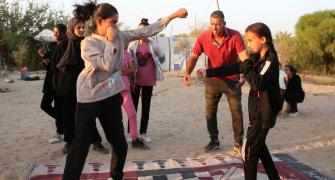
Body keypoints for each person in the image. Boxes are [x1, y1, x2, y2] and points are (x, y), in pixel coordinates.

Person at [61, 1, 187, 179]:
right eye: (112, 22)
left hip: (111, 95)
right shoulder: (88, 44)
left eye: (117, 22)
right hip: (89, 97)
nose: (115, 26)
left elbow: (147, 31)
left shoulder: (121, 36)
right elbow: (107, 65)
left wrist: (173, 16)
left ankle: (116, 175)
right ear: (99, 21)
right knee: (80, 146)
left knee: (120, 144)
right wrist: (111, 41)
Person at [197, 22, 283, 180]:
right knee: (259, 147)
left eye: (251, 40)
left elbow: (257, 82)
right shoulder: (256, 57)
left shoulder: (270, 60)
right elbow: (237, 67)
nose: (248, 44)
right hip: (256, 111)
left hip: (264, 113)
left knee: (248, 153)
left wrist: (246, 66)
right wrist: (209, 72)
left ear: (263, 39)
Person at [183, 10, 248, 153]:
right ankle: (214, 141)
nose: (215, 27)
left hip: (232, 81)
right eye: (212, 24)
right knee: (210, 113)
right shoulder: (203, 37)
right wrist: (187, 72)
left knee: (236, 112)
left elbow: (244, 57)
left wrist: (244, 74)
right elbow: (194, 56)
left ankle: (238, 142)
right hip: (212, 81)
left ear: (224, 24)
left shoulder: (235, 35)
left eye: (218, 24)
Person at [55, 18, 108, 154]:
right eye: (78, 27)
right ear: (72, 28)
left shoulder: (89, 43)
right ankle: (69, 142)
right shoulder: (64, 45)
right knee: (68, 116)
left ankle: (96, 142)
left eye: (83, 27)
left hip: (85, 86)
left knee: (88, 116)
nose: (81, 30)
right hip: (66, 88)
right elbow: (54, 67)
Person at [128, 18, 166, 143]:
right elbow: (128, 60)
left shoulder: (153, 45)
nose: (141, 32)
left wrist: (156, 65)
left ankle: (143, 133)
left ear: (149, 32)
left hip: (149, 80)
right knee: (132, 107)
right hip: (135, 80)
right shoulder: (133, 45)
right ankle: (131, 133)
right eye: (139, 30)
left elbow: (162, 57)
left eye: (144, 30)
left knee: (146, 107)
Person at [37, 24, 67, 144]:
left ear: (64, 33)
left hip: (62, 82)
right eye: (54, 32)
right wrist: (44, 58)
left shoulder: (67, 46)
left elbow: (60, 65)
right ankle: (64, 123)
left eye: (57, 32)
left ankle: (60, 131)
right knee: (45, 105)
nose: (54, 35)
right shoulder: (53, 45)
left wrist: (46, 58)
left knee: (60, 108)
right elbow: (50, 64)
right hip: (51, 81)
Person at [120, 49, 146, 148]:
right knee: (115, 117)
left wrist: (123, 71)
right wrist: (124, 71)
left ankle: (134, 138)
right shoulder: (108, 51)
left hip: (125, 88)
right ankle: (116, 140)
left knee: (132, 113)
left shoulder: (126, 53)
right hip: (112, 90)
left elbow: (133, 69)